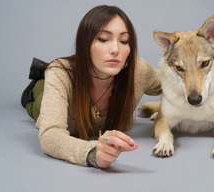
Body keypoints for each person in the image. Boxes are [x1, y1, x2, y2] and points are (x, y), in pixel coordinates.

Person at [21, 5, 161, 168]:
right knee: (37, 106)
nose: (116, 50)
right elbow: (50, 136)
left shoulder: (139, 70)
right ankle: (40, 78)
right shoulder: (60, 73)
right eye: (103, 39)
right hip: (48, 89)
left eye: (124, 41)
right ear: (85, 43)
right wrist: (92, 152)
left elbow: (174, 84)